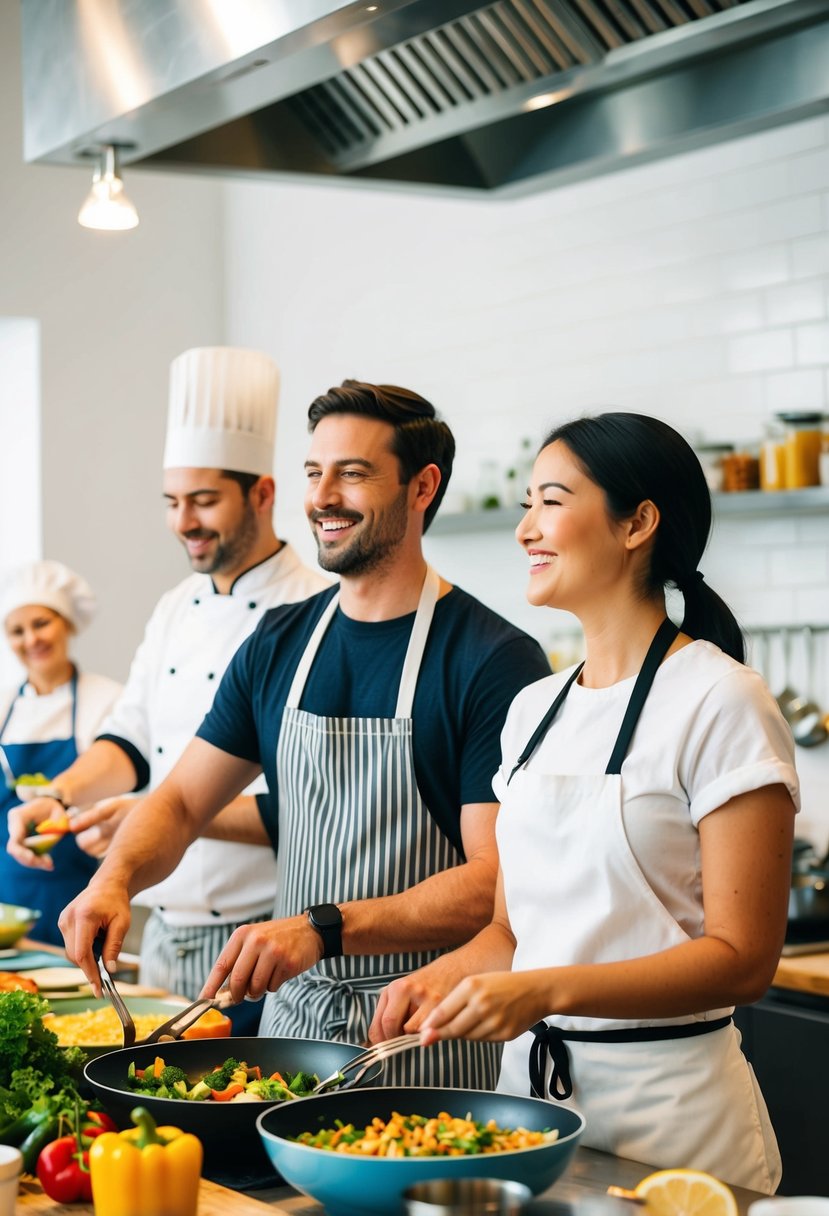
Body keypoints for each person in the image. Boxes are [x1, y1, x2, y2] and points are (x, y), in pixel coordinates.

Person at [55, 379, 551, 1087]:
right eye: (314, 473)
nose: (322, 497)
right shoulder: (280, 641)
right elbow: (184, 801)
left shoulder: (491, 658)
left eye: (352, 474)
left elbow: (494, 883)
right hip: (293, 1037)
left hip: (422, 1033)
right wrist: (115, 880)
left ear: (421, 488)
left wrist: (320, 928)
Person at [369, 412, 799, 1192]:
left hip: (675, 1125)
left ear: (636, 523)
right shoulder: (534, 710)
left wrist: (544, 988)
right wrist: (446, 976)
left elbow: (743, 960)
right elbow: (510, 929)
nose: (525, 529)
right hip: (527, 1114)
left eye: (551, 502)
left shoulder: (720, 699)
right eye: (526, 503)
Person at [7, 347, 328, 1027]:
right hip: (158, 932)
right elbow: (127, 740)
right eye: (172, 502)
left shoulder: (319, 610)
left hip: (262, 939)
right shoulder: (175, 606)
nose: (184, 521)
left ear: (263, 494)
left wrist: (153, 813)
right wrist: (59, 797)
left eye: (204, 500)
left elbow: (309, 805)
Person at [0, 560, 122, 945]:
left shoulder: (108, 700)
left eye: (41, 624)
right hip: (7, 903)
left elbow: (124, 794)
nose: (31, 639)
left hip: (80, 892)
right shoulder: (3, 704)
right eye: (17, 630)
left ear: (67, 624)